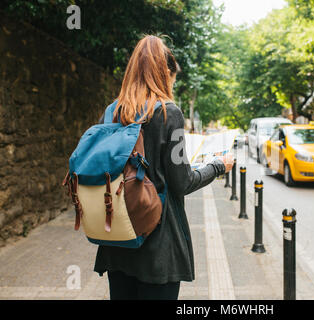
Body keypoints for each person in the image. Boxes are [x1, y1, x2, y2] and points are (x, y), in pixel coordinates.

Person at [94, 35, 234, 300]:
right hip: (157, 246)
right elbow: (182, 182)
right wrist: (217, 166)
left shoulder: (112, 111)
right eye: (173, 78)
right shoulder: (169, 113)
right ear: (165, 72)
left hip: (117, 240)